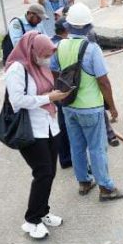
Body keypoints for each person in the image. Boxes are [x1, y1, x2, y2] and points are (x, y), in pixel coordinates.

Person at [51, 2, 123, 201]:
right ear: (88, 26)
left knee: (76, 146)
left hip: (69, 106)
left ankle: (84, 182)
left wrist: (63, 92)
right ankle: (106, 187)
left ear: (68, 26)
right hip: (90, 108)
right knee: (97, 147)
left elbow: (54, 71)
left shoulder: (60, 45)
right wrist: (112, 107)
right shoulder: (92, 48)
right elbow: (103, 81)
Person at [4, 33, 70, 239]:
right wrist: (48, 97)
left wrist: (59, 94)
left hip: (50, 125)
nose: (47, 59)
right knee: (42, 173)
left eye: (49, 54)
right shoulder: (17, 69)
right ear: (32, 51)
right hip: (31, 129)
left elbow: (48, 89)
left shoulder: (41, 65)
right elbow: (16, 101)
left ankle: (43, 211)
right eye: (44, 54)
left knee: (50, 172)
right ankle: (31, 220)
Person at [51, 21, 72, 168]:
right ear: (65, 30)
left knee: (62, 124)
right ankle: (68, 158)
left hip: (56, 89)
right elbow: (54, 70)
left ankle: (65, 158)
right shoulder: (62, 45)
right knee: (66, 125)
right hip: (63, 89)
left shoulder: (50, 42)